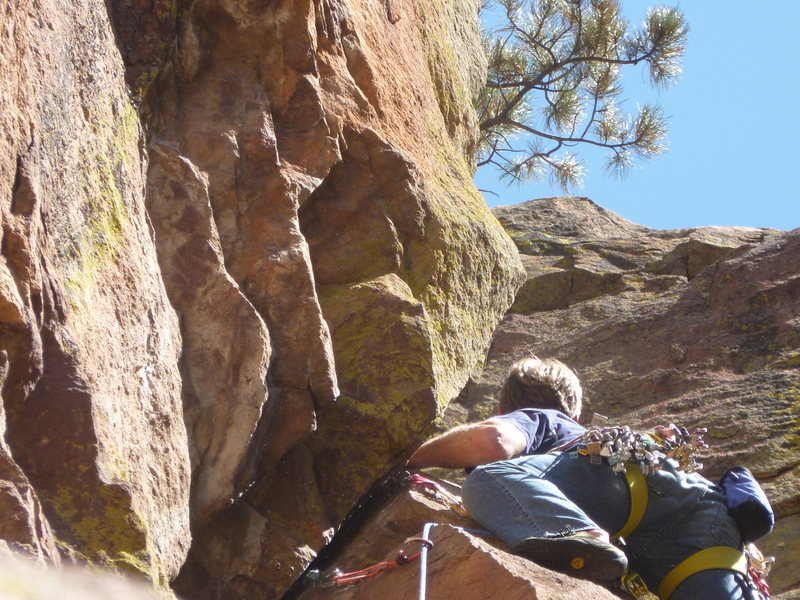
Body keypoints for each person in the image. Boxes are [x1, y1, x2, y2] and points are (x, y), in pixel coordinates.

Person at [408, 356, 752, 599]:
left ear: (505, 410)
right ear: (576, 410)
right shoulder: (585, 430)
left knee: (487, 477)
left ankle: (577, 535)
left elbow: (491, 442)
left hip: (621, 490)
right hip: (706, 522)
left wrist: (411, 460)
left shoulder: (541, 419)